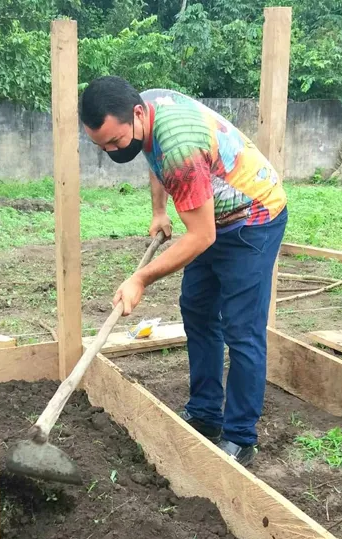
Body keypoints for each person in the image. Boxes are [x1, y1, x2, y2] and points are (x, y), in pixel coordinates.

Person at [80, 76, 288, 467]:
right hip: (214, 217)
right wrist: (159, 211)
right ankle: (206, 413)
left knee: (241, 328)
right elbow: (154, 158)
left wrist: (140, 278)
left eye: (115, 141)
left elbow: (202, 235)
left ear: (137, 114)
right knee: (196, 306)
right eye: (102, 145)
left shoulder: (179, 144)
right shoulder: (146, 110)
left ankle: (241, 436)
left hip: (253, 218)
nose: (111, 150)